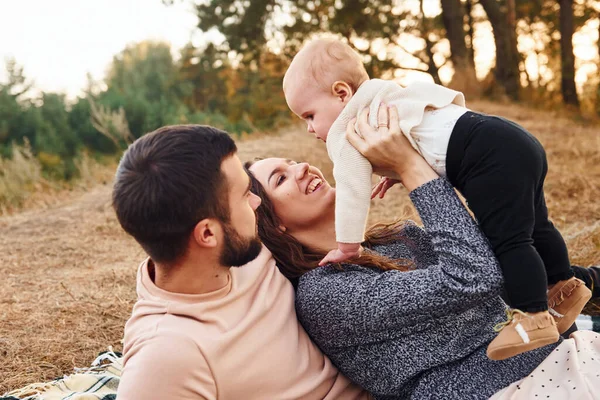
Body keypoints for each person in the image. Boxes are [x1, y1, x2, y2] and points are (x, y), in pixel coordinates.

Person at [246, 106, 600, 400]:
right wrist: (413, 168)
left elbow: (497, 265)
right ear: (273, 224)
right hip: (504, 390)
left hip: (550, 353)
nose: (302, 168)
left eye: (292, 162)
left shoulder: (396, 238)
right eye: (280, 178)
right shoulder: (324, 295)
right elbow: (472, 276)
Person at [282, 38, 592, 360]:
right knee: (538, 225)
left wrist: (348, 245)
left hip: (484, 159)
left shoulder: (348, 130)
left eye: (309, 115)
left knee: (510, 241)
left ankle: (532, 315)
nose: (309, 129)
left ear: (341, 94)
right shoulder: (387, 95)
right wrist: (396, 170)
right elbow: (434, 113)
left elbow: (351, 188)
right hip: (507, 136)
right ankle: (564, 286)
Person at [112, 125, 369, 400]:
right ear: (208, 233)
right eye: (245, 195)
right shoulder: (167, 354)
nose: (258, 202)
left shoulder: (239, 249)